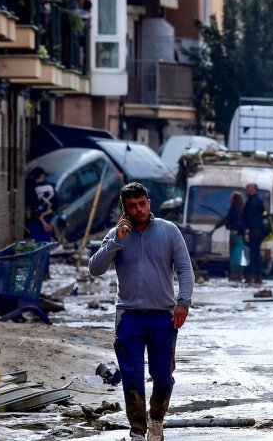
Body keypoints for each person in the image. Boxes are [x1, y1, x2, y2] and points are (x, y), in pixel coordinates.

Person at [88, 183, 194, 441]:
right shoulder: (116, 235)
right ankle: (137, 430)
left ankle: (156, 421)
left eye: (142, 204)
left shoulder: (169, 231)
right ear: (124, 209)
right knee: (132, 376)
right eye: (132, 206)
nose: (138, 210)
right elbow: (95, 268)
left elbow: (185, 269)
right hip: (129, 317)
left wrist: (184, 302)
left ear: (149, 203)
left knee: (163, 375)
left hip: (163, 316)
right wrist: (116, 241)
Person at [215, 192, 245, 281]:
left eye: (231, 197)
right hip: (240, 234)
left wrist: (216, 227)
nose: (229, 199)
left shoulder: (233, 209)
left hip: (234, 233)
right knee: (239, 253)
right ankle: (239, 273)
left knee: (234, 254)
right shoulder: (242, 209)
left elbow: (227, 220)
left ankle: (234, 273)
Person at [241, 183, 267, 285]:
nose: (246, 190)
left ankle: (251, 276)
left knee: (251, 255)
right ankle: (257, 276)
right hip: (258, 232)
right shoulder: (258, 201)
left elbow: (250, 218)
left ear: (253, 189)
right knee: (256, 255)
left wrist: (247, 231)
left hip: (253, 232)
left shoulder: (252, 202)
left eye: (248, 188)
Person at [26, 166, 56, 243]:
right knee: (46, 244)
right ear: (42, 176)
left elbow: (34, 207)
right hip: (48, 219)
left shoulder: (32, 189)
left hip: (36, 221)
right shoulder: (51, 187)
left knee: (37, 245)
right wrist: (44, 219)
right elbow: (55, 206)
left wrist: (42, 220)